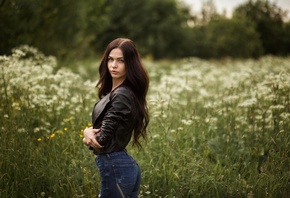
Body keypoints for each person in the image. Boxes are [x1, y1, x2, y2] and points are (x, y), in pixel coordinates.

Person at [82, 38, 149, 198]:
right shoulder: (118, 92)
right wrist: (88, 132)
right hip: (121, 166)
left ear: (130, 64)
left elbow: (102, 139)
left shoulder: (121, 95)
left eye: (121, 61)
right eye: (110, 59)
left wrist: (87, 134)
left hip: (117, 167)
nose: (113, 65)